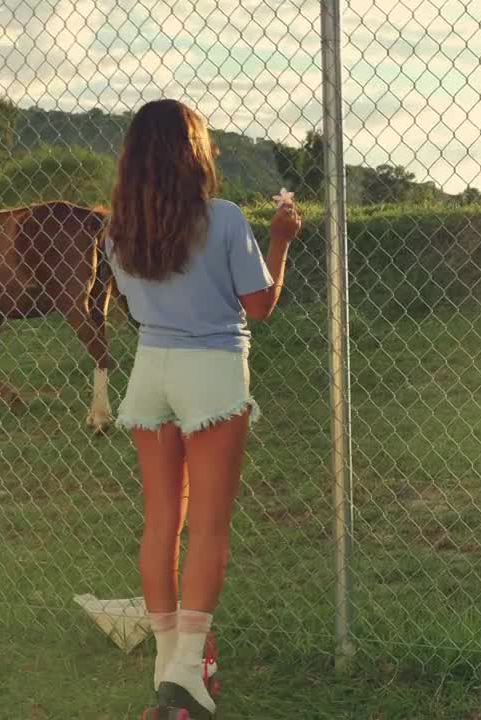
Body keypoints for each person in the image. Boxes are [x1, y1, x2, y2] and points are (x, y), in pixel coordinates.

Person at [105, 98, 302, 719]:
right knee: (209, 526)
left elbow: (141, 307)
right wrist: (280, 240)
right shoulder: (221, 218)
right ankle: (188, 671)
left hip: (148, 374)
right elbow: (260, 305)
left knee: (162, 522)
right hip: (213, 372)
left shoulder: (117, 229)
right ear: (194, 153)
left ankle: (170, 666)